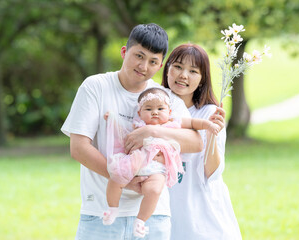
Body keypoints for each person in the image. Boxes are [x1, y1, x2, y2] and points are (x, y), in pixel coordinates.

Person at [61, 24, 203, 240]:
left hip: (152, 218)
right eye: (139, 55)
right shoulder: (95, 87)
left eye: (153, 61)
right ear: (124, 52)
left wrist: (151, 131)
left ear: (160, 65)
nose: (144, 66)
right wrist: (124, 178)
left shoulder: (165, 98)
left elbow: (195, 142)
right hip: (100, 213)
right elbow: (79, 148)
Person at [103, 87, 221, 238]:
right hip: (135, 162)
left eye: (160, 108)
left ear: (169, 112)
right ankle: (112, 207)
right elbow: (123, 135)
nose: (155, 112)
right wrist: (113, 119)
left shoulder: (173, 123)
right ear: (139, 113)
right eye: (148, 108)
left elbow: (192, 123)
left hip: (156, 170)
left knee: (154, 191)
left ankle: (141, 220)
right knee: (116, 178)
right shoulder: (138, 124)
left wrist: (208, 125)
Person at [162, 43, 242, 240]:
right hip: (166, 210)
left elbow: (211, 172)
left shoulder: (208, 113)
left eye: (193, 71)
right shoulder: (153, 108)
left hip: (201, 213)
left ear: (202, 79)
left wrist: (212, 133)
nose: (183, 75)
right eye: (178, 67)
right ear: (167, 68)